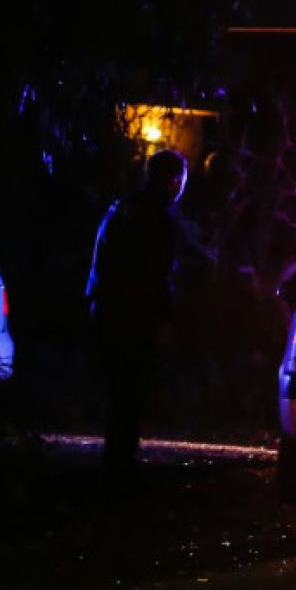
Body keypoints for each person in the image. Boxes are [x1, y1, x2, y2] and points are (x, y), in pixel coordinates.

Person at [86, 150, 186, 483]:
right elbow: (158, 275)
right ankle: (120, 468)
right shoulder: (157, 218)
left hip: (109, 311)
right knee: (131, 394)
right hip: (136, 317)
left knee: (120, 393)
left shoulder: (121, 209)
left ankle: (116, 462)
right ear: (173, 180)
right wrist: (164, 318)